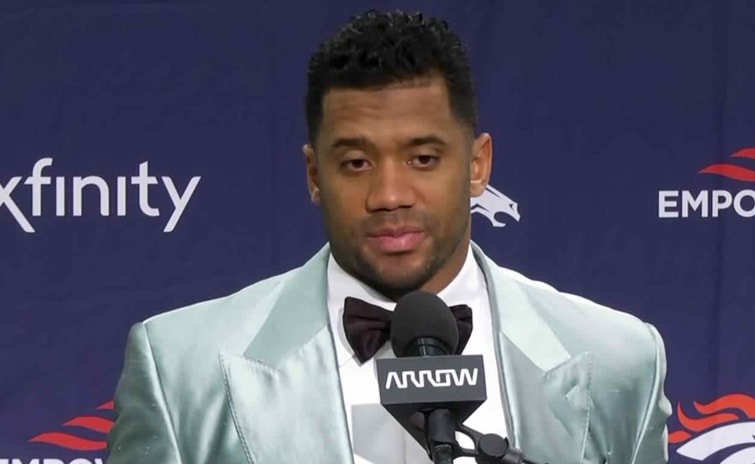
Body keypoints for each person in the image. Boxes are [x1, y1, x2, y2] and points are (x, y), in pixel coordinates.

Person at [106, 9, 672, 464]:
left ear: (478, 165)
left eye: (423, 158)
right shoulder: (182, 368)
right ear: (313, 176)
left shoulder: (619, 361)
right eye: (355, 163)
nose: (389, 194)